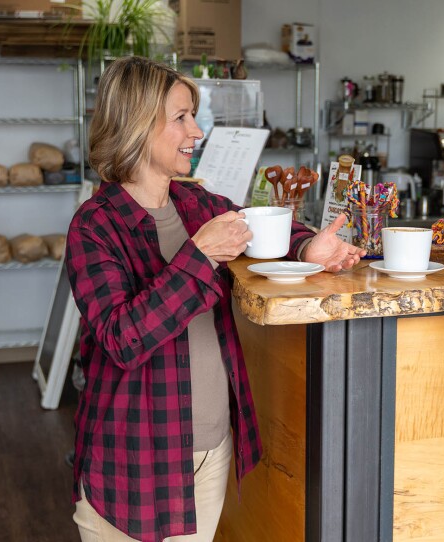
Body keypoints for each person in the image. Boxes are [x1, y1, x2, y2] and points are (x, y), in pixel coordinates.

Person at [65, 56, 364, 542]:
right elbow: (122, 339)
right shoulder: (95, 225)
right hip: (135, 462)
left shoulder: (195, 203)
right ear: (139, 125)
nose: (197, 132)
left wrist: (308, 246)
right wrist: (199, 255)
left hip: (211, 451)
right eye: (181, 117)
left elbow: (260, 225)